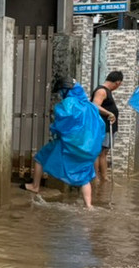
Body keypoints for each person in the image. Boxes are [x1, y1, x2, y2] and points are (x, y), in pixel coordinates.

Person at [20, 79, 104, 209]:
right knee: (84, 176)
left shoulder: (68, 103)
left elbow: (62, 123)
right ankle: (89, 205)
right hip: (87, 149)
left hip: (68, 144)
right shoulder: (91, 107)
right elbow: (100, 127)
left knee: (40, 158)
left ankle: (35, 186)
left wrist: (55, 129)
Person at [90, 70, 122, 182]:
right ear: (117, 82)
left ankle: (104, 177)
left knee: (103, 153)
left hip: (108, 127)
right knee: (99, 152)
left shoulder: (106, 91)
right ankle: (96, 178)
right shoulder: (102, 91)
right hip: (103, 127)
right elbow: (94, 105)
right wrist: (109, 113)